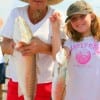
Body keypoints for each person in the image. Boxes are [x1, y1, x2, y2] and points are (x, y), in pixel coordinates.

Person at [0, 0, 64, 100]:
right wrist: (13, 47)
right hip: (16, 82)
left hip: (46, 84)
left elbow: (62, 54)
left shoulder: (56, 16)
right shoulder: (16, 13)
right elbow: (3, 45)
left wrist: (43, 47)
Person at [50, 0, 100, 100]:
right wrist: (55, 29)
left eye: (82, 16)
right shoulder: (70, 42)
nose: (78, 21)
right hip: (72, 96)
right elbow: (58, 57)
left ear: (92, 16)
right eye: (74, 19)